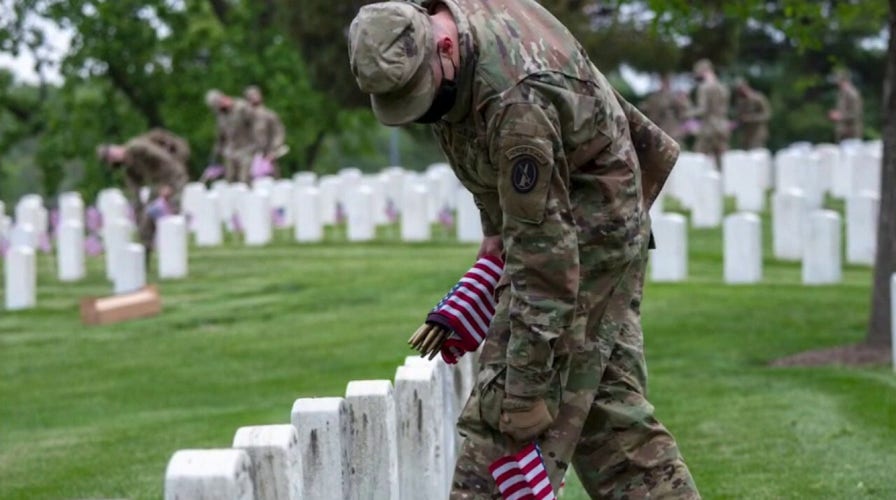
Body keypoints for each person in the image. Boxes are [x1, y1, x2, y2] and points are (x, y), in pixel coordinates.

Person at [348, 1, 701, 498]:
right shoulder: (430, 31)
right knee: (611, 425)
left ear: (443, 45)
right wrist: (494, 238)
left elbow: (546, 265)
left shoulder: (518, 101)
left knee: (498, 432)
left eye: (424, 95)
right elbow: (473, 143)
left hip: (585, 234)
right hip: (569, 220)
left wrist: (526, 387)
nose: (424, 111)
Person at [97, 133, 189, 265]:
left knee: (172, 214)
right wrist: (139, 216)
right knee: (147, 218)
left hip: (173, 177)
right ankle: (143, 259)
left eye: (112, 154)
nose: (114, 158)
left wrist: (167, 186)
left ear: (116, 149)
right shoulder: (129, 169)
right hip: (158, 184)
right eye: (110, 159)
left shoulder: (138, 147)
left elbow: (165, 160)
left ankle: (175, 261)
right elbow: (136, 195)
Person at [205, 89, 257, 183]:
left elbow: (255, 124)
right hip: (230, 151)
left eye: (219, 103)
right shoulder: (221, 115)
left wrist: (258, 146)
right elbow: (221, 137)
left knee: (244, 179)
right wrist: (214, 156)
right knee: (230, 180)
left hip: (246, 149)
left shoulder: (242, 107)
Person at [689, 59, 730, 169]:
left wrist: (687, 113)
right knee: (721, 161)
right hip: (722, 127)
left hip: (708, 129)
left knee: (698, 158)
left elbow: (702, 109)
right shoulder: (722, 87)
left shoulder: (704, 87)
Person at [245, 85, 288, 178]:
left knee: (272, 180)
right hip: (251, 156)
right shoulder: (246, 117)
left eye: (255, 95)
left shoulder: (269, 115)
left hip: (267, 154)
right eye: (250, 96)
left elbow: (279, 132)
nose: (253, 98)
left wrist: (274, 149)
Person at [642, 74, 690, 144]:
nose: (663, 85)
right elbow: (650, 108)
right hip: (660, 125)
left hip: (670, 126)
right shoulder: (656, 96)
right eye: (662, 82)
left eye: (665, 83)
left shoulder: (673, 96)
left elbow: (682, 108)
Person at [732, 78, 771, 150]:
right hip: (745, 136)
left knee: (756, 156)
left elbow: (767, 115)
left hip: (757, 135)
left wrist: (750, 118)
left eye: (740, 89)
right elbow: (739, 117)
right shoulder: (740, 102)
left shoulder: (758, 98)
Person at [828, 69, 863, 142]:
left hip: (851, 133)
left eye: (838, 81)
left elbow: (856, 114)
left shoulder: (852, 94)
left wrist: (840, 116)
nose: (837, 84)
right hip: (843, 133)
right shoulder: (842, 93)